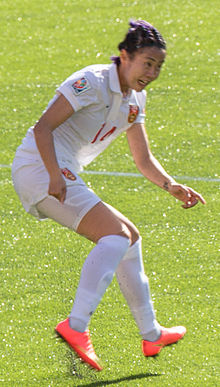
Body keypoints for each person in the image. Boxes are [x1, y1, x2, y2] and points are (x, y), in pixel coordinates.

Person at [12, 19, 206, 371]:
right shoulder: (93, 81)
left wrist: (171, 185)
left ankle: (151, 333)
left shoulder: (135, 100)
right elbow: (43, 127)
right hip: (40, 167)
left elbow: (143, 159)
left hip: (60, 170)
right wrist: (55, 174)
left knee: (130, 239)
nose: (152, 72)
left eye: (159, 66)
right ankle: (75, 326)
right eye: (147, 62)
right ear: (124, 56)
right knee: (114, 237)